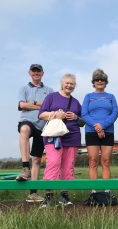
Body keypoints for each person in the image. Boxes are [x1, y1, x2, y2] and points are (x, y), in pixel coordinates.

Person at [39, 73, 82, 207]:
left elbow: (82, 121)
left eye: (72, 84)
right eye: (67, 83)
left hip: (72, 135)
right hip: (54, 135)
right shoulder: (51, 97)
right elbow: (41, 114)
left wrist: (75, 116)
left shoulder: (75, 102)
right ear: (62, 83)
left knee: (68, 166)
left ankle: (64, 195)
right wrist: (55, 114)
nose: (69, 85)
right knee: (53, 162)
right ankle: (49, 196)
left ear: (74, 86)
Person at [17, 64, 53, 203]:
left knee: (37, 160)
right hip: (27, 121)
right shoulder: (24, 88)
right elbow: (21, 105)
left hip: (42, 127)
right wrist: (39, 104)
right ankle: (25, 167)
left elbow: (49, 106)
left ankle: (33, 193)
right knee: (24, 129)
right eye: (34, 71)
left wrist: (31, 103)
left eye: (38, 71)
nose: (36, 73)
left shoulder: (49, 90)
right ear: (29, 73)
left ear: (43, 73)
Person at [81, 69, 118, 202]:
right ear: (93, 82)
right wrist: (96, 126)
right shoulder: (88, 96)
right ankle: (93, 191)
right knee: (93, 161)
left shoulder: (111, 97)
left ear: (106, 82)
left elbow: (114, 114)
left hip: (107, 131)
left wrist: (102, 125)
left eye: (102, 79)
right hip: (91, 132)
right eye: (97, 79)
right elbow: (84, 114)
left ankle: (107, 191)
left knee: (106, 161)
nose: (100, 81)